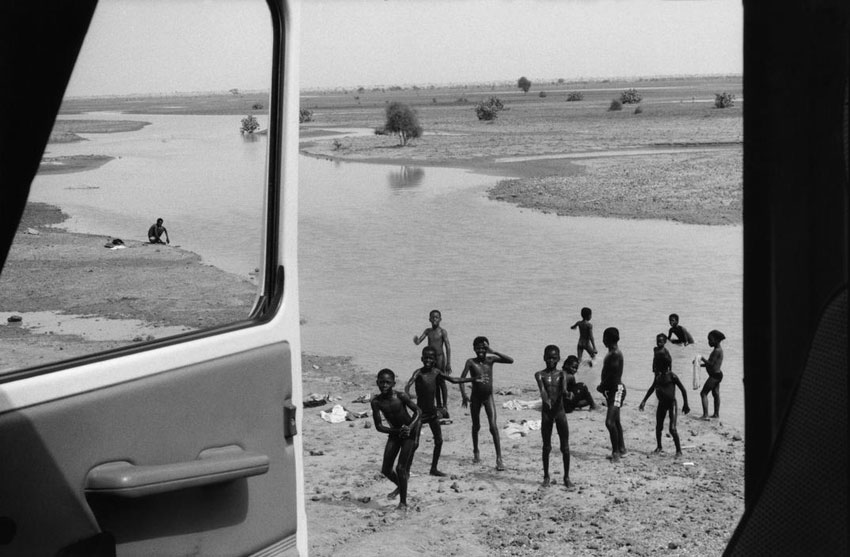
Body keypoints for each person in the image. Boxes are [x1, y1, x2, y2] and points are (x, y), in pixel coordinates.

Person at [404, 347, 479, 477]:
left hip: (432, 413)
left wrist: (472, 379)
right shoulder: (418, 373)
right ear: (422, 359)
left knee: (439, 441)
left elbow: (454, 380)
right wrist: (407, 397)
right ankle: (406, 469)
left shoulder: (437, 372)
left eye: (431, 358)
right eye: (425, 357)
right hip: (420, 414)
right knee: (414, 443)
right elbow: (408, 385)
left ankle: (433, 468)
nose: (428, 360)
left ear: (435, 360)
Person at [459, 336, 513, 471]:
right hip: (475, 398)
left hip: (488, 397)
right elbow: (461, 379)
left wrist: (493, 351)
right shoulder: (471, 362)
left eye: (483, 348)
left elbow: (510, 360)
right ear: (474, 349)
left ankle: (499, 458)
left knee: (493, 427)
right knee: (476, 426)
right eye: (478, 348)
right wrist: (464, 395)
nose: (481, 350)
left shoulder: (490, 360)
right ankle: (476, 451)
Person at [371, 368, 421, 511]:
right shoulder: (376, 402)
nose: (384, 385)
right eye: (381, 382)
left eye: (387, 382)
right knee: (386, 469)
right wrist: (396, 431)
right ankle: (401, 485)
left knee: (401, 468)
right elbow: (379, 426)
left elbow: (418, 411)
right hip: (395, 433)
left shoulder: (401, 396)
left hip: (410, 434)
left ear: (394, 383)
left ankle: (403, 503)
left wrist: (410, 427)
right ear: (377, 383)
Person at [639, 334, 691, 456]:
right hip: (662, 404)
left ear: (665, 366)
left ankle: (679, 450)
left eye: (658, 366)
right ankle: (659, 446)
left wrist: (685, 404)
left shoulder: (672, 376)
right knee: (658, 427)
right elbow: (651, 389)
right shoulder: (658, 377)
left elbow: (683, 390)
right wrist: (644, 401)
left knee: (672, 429)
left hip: (671, 404)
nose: (656, 368)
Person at [534, 345, 573, 487]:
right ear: (544, 358)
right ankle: (546, 476)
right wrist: (546, 400)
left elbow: (563, 389)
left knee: (565, 447)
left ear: (558, 359)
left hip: (560, 412)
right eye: (548, 358)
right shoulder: (539, 374)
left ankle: (567, 477)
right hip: (547, 414)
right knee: (546, 447)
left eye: (554, 358)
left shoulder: (562, 374)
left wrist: (568, 394)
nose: (551, 361)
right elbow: (542, 390)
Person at [413, 309, 452, 412]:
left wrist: (448, 363)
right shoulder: (428, 331)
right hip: (431, 359)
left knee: (441, 381)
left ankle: (444, 405)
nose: (434, 319)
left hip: (440, 358)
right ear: (429, 319)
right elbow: (419, 341)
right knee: (434, 382)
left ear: (440, 319)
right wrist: (416, 340)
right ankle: (438, 404)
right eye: (432, 317)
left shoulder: (442, 332)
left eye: (436, 317)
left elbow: (448, 347)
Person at [597, 327, 627, 461]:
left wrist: (601, 386)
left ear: (607, 339)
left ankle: (615, 452)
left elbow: (613, 375)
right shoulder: (611, 353)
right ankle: (622, 448)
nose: (602, 340)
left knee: (609, 422)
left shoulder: (615, 354)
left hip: (617, 390)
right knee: (616, 421)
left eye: (604, 337)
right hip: (611, 390)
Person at [699, 330, 726, 420]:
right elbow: (712, 364)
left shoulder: (717, 351)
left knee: (703, 393)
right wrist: (699, 365)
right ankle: (716, 414)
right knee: (716, 394)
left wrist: (701, 358)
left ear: (717, 340)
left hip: (714, 376)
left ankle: (705, 415)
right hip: (718, 374)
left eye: (710, 340)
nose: (709, 342)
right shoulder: (718, 350)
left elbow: (710, 364)